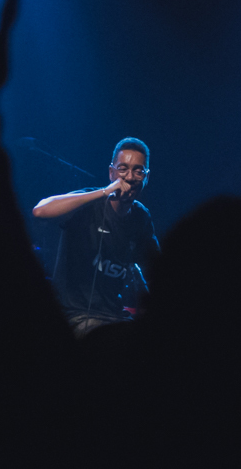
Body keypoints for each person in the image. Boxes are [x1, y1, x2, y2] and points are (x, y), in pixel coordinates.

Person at [32, 137, 159, 336]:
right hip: (75, 315)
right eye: (123, 168)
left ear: (146, 177)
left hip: (113, 315)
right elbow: (40, 211)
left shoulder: (141, 218)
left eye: (138, 170)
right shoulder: (89, 203)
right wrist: (103, 192)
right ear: (111, 172)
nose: (130, 177)